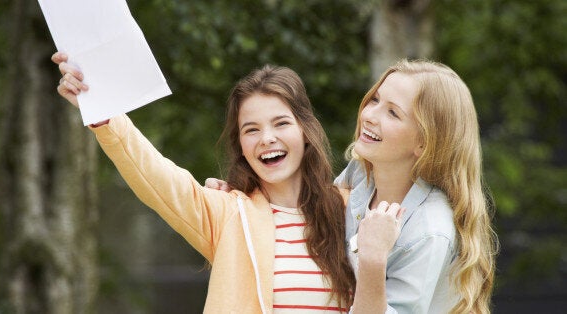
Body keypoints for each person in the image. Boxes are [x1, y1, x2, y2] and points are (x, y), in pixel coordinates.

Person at [52, 52, 404, 313]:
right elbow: (153, 175)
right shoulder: (226, 213)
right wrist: (102, 110)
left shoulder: (353, 208)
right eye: (251, 129)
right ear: (241, 146)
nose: (266, 138)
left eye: (280, 123)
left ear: (305, 130)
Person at [206, 59, 498, 314]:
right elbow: (310, 208)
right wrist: (238, 195)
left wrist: (373, 259)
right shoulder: (361, 173)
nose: (370, 115)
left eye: (393, 112)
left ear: (424, 142)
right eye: (375, 100)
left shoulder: (429, 231)